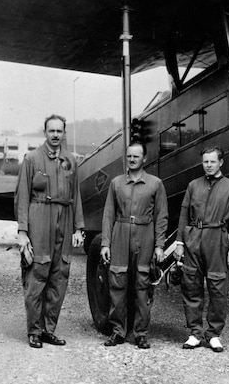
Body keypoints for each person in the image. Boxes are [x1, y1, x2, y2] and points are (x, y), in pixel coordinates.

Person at [15, 114, 85, 349]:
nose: (55, 135)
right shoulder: (32, 159)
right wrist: (23, 231)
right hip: (39, 218)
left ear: (64, 133)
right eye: (51, 131)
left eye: (59, 131)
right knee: (37, 274)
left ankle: (48, 329)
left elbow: (75, 196)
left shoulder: (70, 161)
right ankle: (34, 330)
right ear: (44, 132)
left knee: (59, 276)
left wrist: (78, 227)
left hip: (64, 219)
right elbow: (22, 197)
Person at [171, 146, 229, 353]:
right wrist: (179, 242)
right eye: (205, 162)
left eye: (212, 162)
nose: (209, 166)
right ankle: (195, 332)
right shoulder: (193, 185)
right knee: (191, 284)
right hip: (193, 237)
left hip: (218, 239)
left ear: (221, 162)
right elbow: (184, 215)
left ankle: (213, 334)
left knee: (218, 287)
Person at [100, 141, 168, 349]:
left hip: (145, 233)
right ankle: (118, 331)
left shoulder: (155, 184)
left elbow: (161, 216)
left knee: (143, 284)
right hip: (120, 232)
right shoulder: (116, 183)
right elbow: (108, 215)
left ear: (144, 158)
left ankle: (140, 333)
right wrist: (105, 244)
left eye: (136, 156)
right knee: (117, 283)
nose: (131, 159)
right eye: (129, 156)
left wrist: (159, 245)